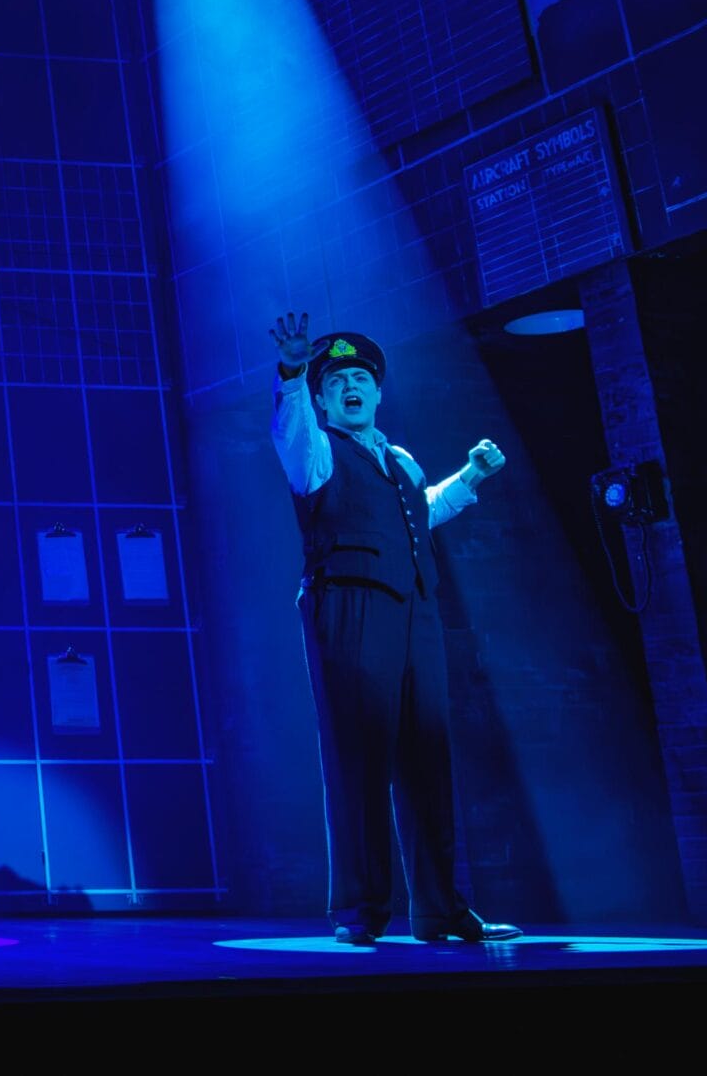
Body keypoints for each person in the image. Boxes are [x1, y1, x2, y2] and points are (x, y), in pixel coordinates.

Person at [266, 312, 519, 945]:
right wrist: (293, 374)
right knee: (359, 759)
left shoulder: (399, 458)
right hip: (348, 609)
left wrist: (470, 478)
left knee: (427, 759)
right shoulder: (319, 452)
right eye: (337, 381)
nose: (350, 386)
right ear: (324, 399)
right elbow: (290, 433)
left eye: (360, 377)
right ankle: (359, 909)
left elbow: (419, 511)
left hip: (415, 615)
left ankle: (440, 909)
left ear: (378, 391)